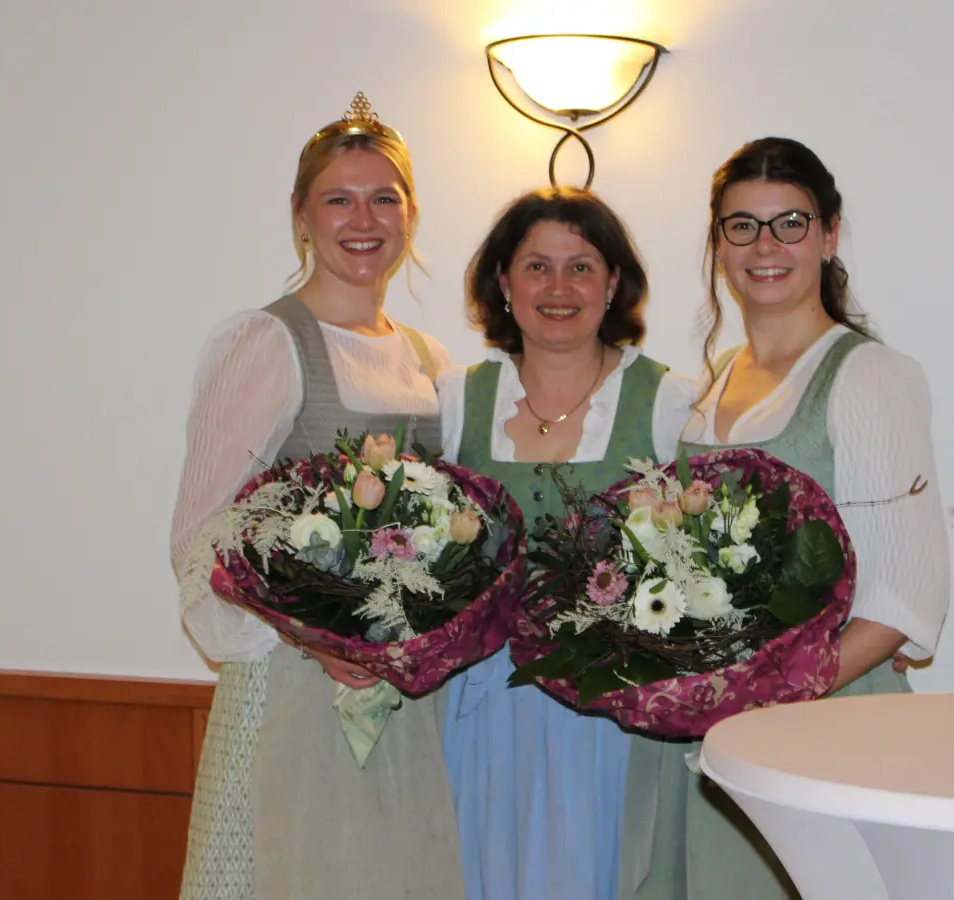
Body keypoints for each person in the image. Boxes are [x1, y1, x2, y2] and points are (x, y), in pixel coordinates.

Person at [624, 137, 952, 898]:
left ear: (830, 234)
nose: (764, 246)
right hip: (721, 728)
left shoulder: (867, 377)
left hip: (827, 724)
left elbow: (902, 598)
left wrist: (771, 697)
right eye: (742, 226)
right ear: (717, 243)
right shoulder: (708, 387)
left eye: (790, 223)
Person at [169, 94, 463, 900]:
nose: (362, 219)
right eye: (338, 198)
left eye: (383, 197)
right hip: (295, 685)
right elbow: (202, 534)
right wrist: (312, 636)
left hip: (402, 690)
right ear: (300, 216)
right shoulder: (269, 343)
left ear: (410, 215)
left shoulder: (425, 356)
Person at [437, 186, 701, 900]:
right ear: (502, 280)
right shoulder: (453, 399)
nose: (559, 288)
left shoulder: (672, 400)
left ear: (614, 283)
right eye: (536, 267)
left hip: (610, 712)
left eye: (581, 267)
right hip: (483, 705)